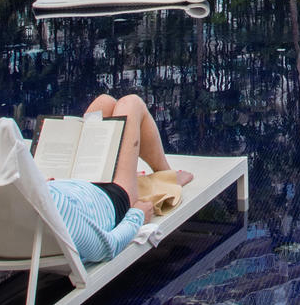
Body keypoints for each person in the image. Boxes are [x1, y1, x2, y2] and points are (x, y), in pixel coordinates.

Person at [44, 92, 196, 265]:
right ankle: (166, 176)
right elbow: (104, 248)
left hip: (72, 189)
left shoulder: (14, 196)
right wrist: (137, 215)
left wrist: (45, 185)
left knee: (104, 104)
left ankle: (131, 173)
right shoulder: (49, 206)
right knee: (130, 104)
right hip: (109, 201)